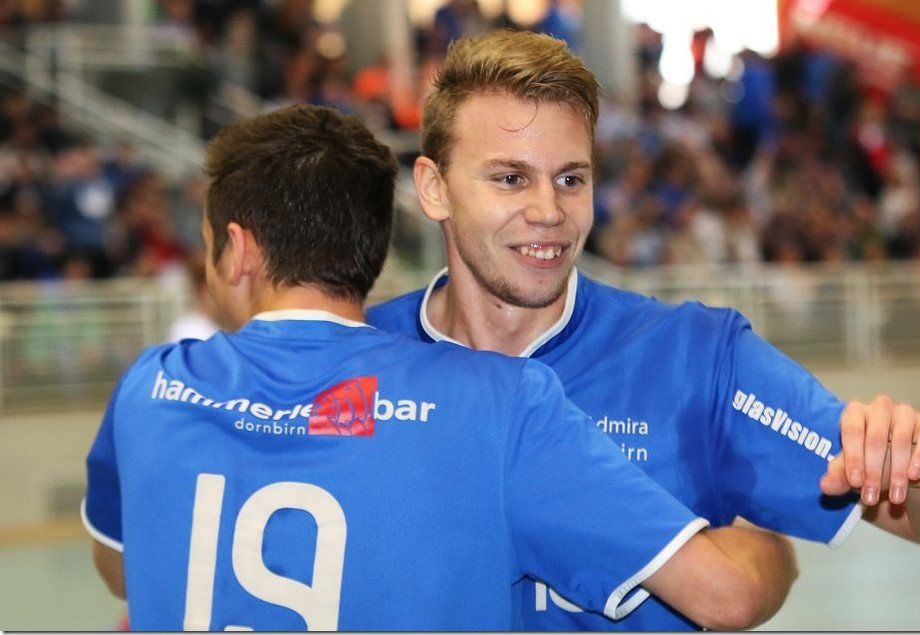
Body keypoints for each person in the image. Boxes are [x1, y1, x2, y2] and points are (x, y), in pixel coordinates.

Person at [366, 30, 920, 631]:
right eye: (510, 178)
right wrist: (758, 564)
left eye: (571, 179)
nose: (548, 211)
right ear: (434, 189)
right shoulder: (360, 358)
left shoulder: (690, 357)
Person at [82, 105, 798, 630]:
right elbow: (726, 597)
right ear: (371, 250)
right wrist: (763, 538)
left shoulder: (151, 387)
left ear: (237, 249)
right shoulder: (495, 400)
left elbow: (121, 565)